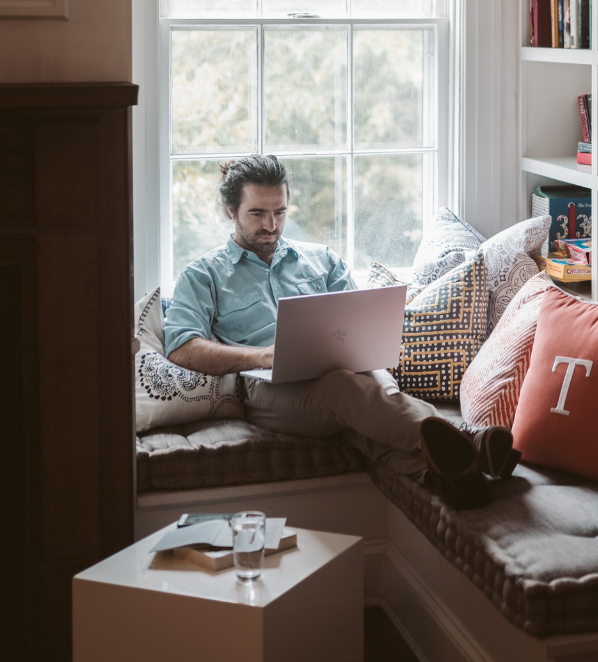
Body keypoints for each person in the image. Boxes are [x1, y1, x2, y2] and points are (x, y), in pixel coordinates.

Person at [164, 154, 518, 508]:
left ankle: (453, 479)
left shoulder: (323, 260)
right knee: (342, 389)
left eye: (281, 212)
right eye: (257, 214)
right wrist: (261, 355)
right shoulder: (203, 274)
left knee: (362, 412)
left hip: (348, 371)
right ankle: (470, 441)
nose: (271, 225)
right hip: (269, 389)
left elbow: (359, 322)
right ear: (230, 210)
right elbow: (182, 348)